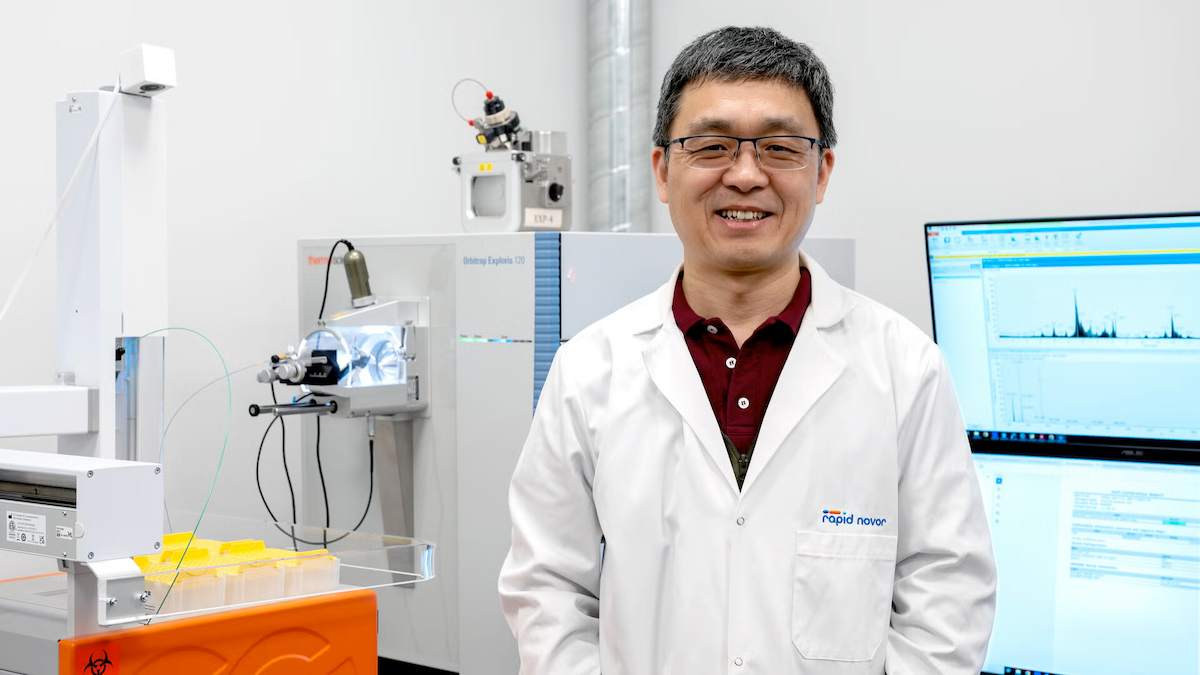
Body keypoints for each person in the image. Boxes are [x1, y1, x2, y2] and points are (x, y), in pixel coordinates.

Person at [499, 25, 996, 674]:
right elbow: (548, 592)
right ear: (662, 171)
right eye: (711, 146)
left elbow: (948, 602)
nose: (744, 174)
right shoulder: (589, 370)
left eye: (780, 148)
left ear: (822, 172)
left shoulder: (905, 368)